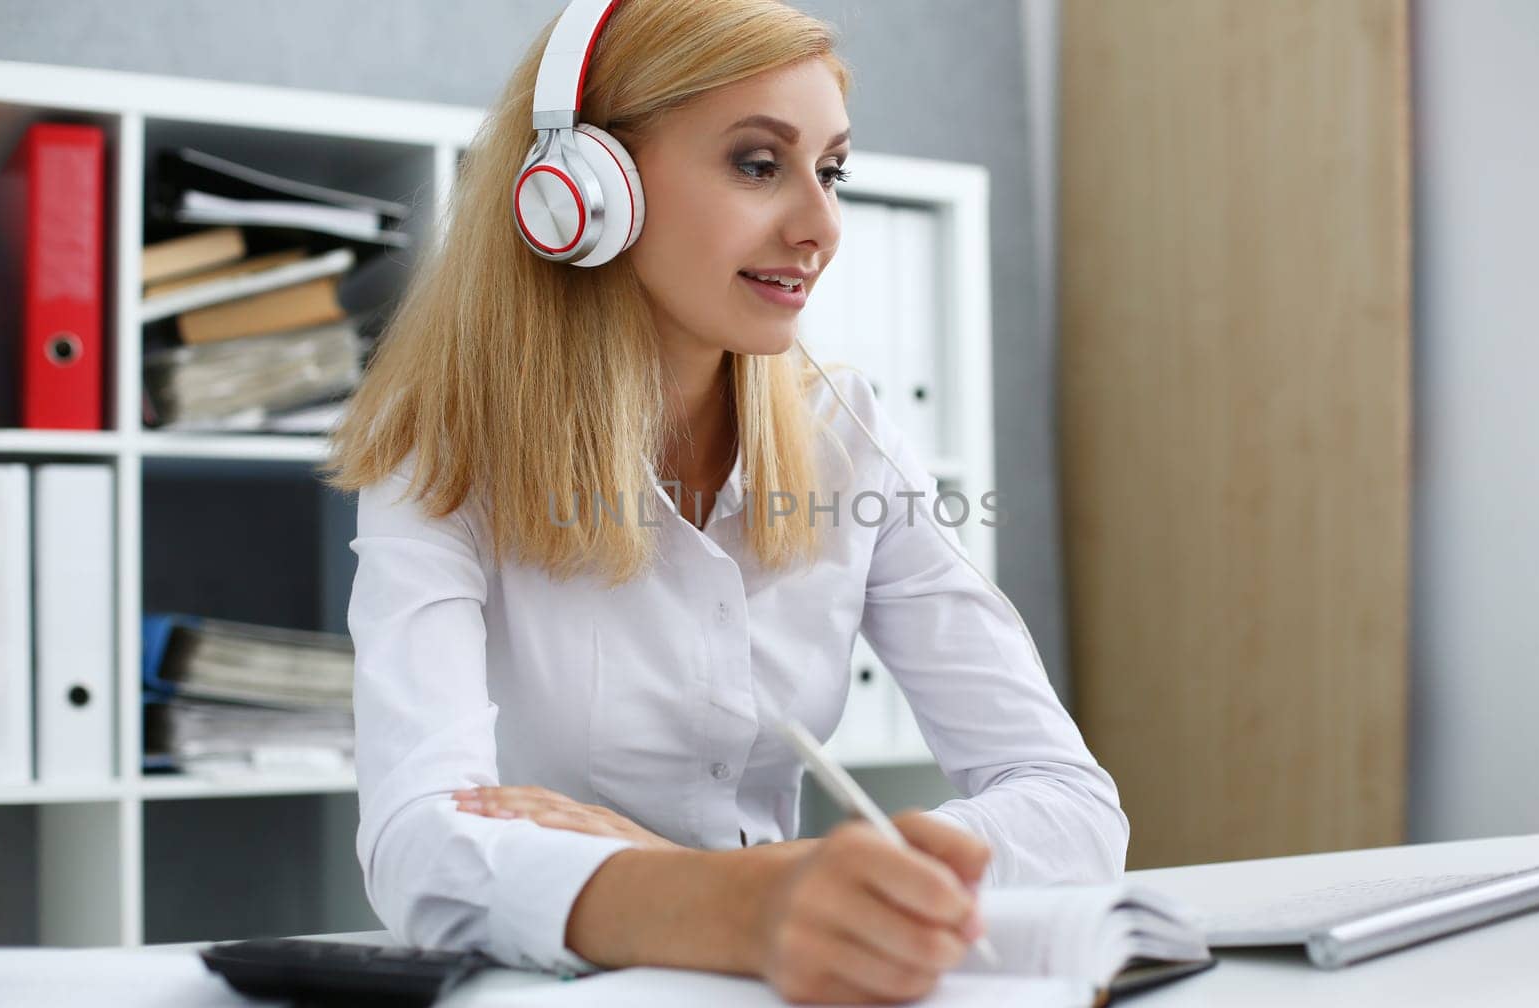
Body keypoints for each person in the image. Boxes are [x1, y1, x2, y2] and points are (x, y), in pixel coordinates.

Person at [321, 0, 1128, 1002]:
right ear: (582, 191)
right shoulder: (440, 450)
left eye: (831, 171)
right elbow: (417, 845)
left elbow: (1069, 803)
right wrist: (745, 900)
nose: (820, 227)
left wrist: (811, 890)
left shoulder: (850, 434)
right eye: (758, 164)